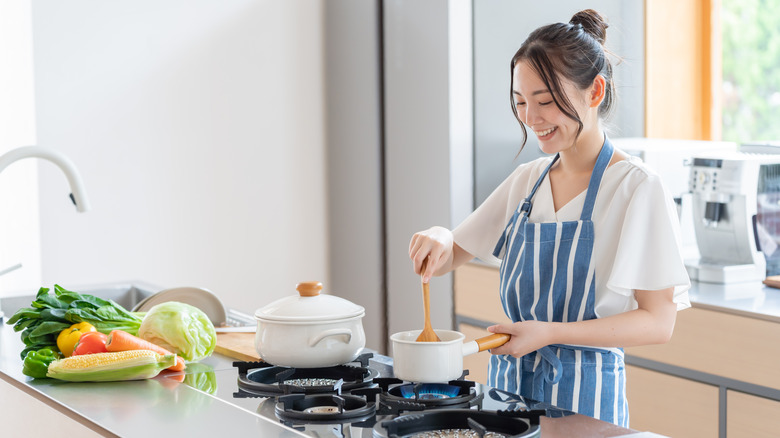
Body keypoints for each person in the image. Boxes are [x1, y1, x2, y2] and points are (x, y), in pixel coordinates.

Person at [407, 9, 690, 427]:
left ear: (595, 92)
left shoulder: (636, 187)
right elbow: (452, 253)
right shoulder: (528, 182)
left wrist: (552, 332)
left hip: (587, 407)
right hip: (509, 398)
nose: (530, 118)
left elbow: (658, 322)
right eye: (521, 102)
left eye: (545, 101)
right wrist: (437, 236)